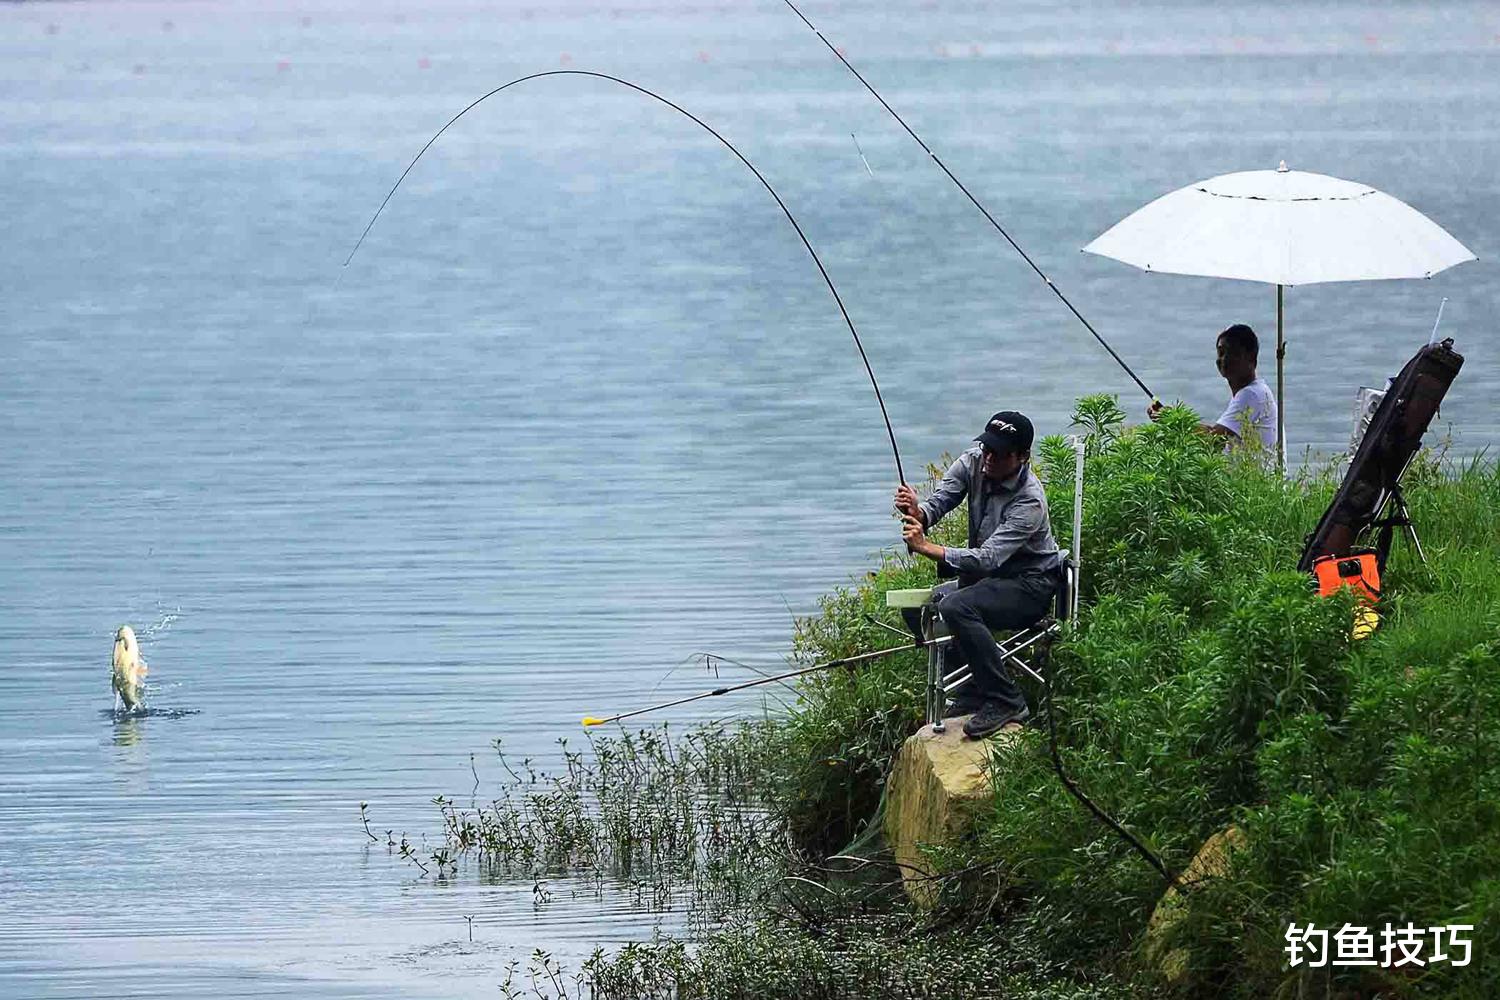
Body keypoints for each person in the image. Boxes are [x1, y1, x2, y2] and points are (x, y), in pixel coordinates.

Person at [893, 410, 1061, 739]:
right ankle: (972, 690)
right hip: (989, 580)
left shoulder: (1030, 501)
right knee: (920, 608)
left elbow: (986, 559)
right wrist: (918, 512)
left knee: (957, 607)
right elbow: (940, 501)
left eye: (999, 454)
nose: (989, 458)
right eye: (986, 448)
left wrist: (926, 547)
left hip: (1029, 585)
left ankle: (1006, 699)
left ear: (1023, 457)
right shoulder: (973, 461)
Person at [1148, 323, 1277, 453]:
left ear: (1251, 358)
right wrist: (1170, 417)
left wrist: (1172, 419)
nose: (1224, 359)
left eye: (1233, 353)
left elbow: (1213, 440)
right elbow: (1216, 434)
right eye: (1221, 353)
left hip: (1255, 474)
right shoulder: (1257, 391)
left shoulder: (1251, 394)